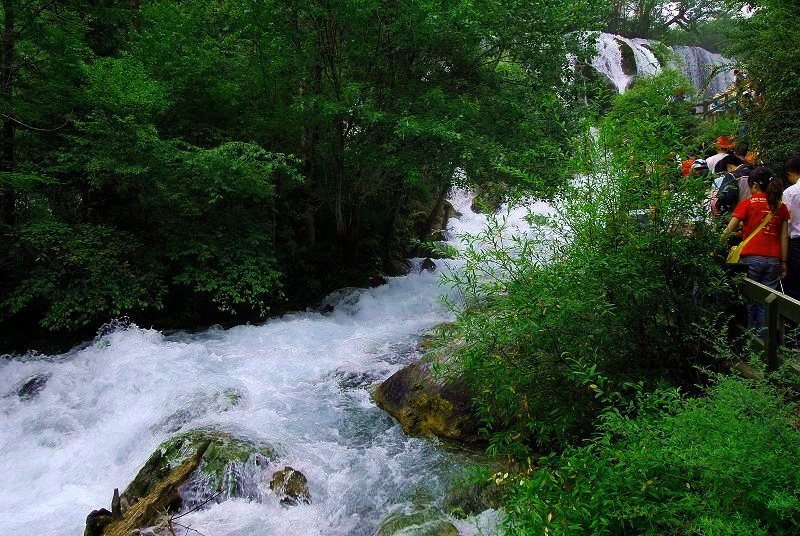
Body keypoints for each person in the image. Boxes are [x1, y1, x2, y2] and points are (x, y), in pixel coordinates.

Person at [723, 166, 789, 333]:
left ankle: (751, 341)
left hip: (750, 258)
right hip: (773, 259)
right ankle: (763, 342)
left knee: (751, 299)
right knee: (766, 302)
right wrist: (784, 262)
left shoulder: (747, 203)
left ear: (753, 185)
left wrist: (714, 247)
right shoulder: (781, 207)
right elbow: (784, 237)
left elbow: (729, 230)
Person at [781, 156, 800, 299]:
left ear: (791, 173)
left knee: (795, 287)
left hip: (797, 244)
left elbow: (785, 226)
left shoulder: (790, 192)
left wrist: (783, 260)